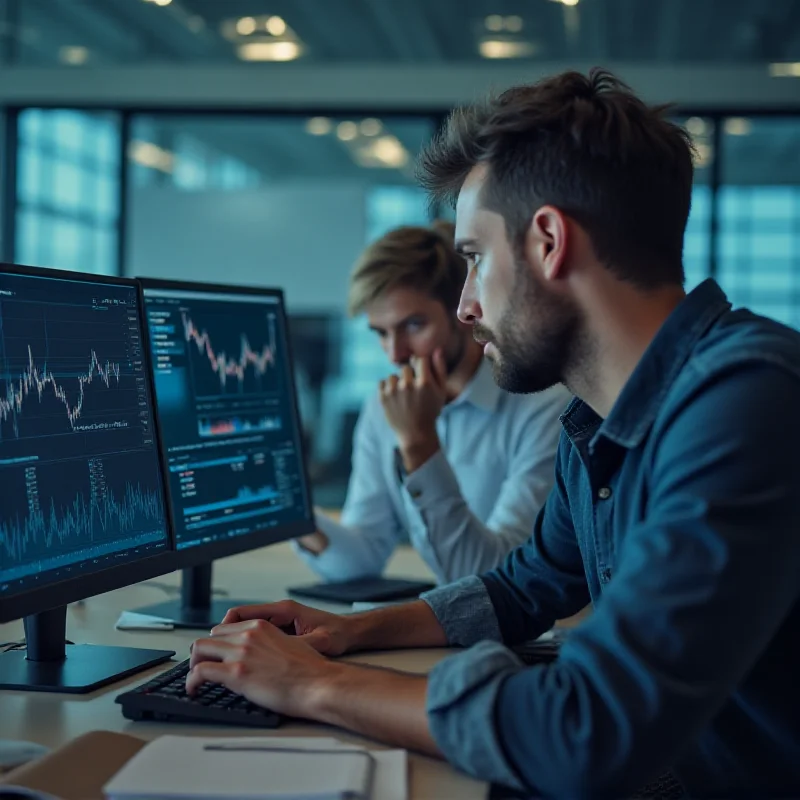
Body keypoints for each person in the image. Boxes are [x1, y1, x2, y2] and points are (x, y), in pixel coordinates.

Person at [186, 68, 800, 798]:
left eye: (475, 260)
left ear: (547, 241)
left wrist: (317, 686)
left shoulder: (746, 401)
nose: (467, 307)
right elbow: (521, 589)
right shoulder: (601, 421)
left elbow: (585, 730)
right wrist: (351, 631)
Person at [293, 221, 569, 584]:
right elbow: (361, 560)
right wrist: (291, 509)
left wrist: (420, 445)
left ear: (461, 310)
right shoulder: (385, 406)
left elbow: (498, 581)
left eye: (413, 325)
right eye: (381, 332)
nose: (396, 354)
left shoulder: (543, 406)